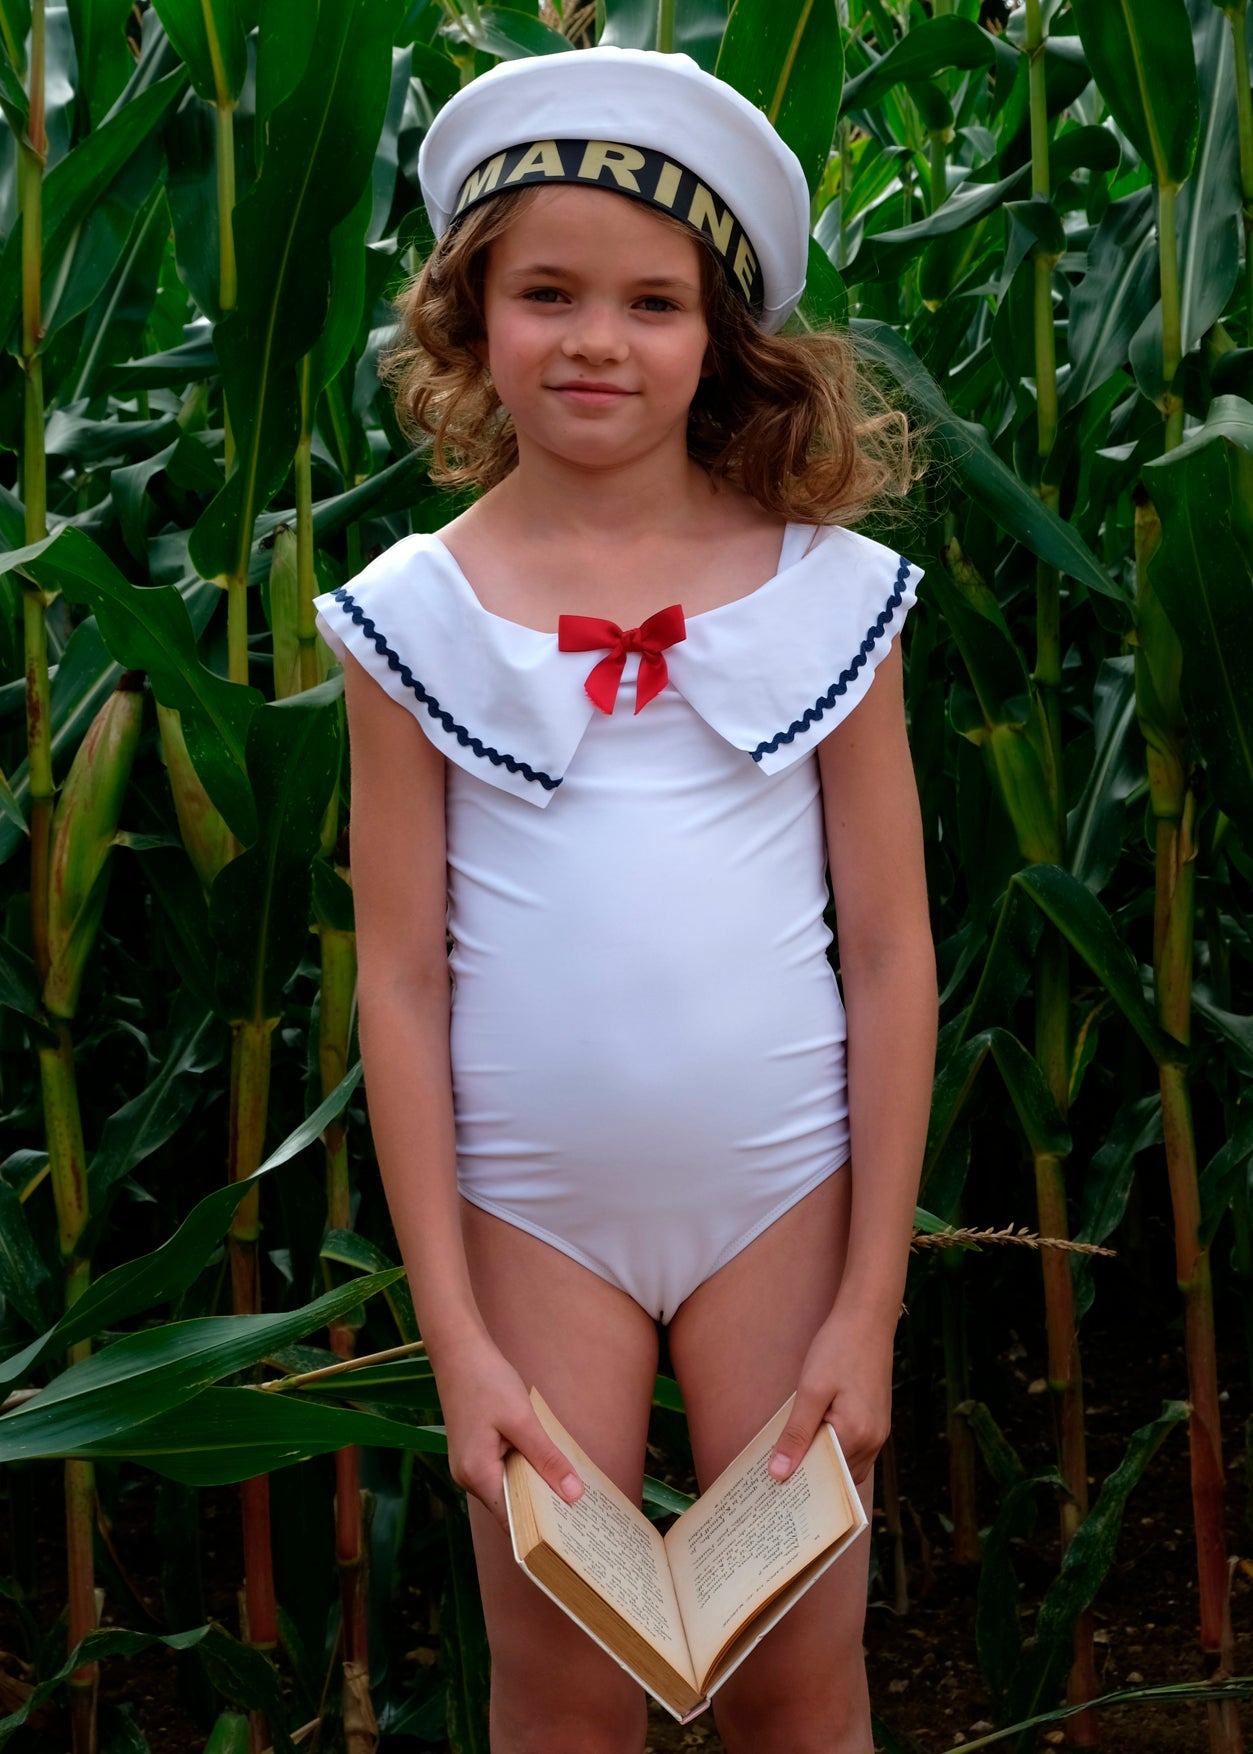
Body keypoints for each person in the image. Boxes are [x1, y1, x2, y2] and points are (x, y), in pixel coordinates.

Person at [315, 45, 937, 1754]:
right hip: (530, 1218)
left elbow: (892, 955)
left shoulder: (828, 599)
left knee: (799, 1686)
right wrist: (454, 1339)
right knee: (561, 1692)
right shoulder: (410, 617)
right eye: (548, 294)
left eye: (652, 302)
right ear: (470, 317)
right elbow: (400, 982)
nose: (597, 338)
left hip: (781, 1201)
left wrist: (866, 1307)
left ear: (720, 337)